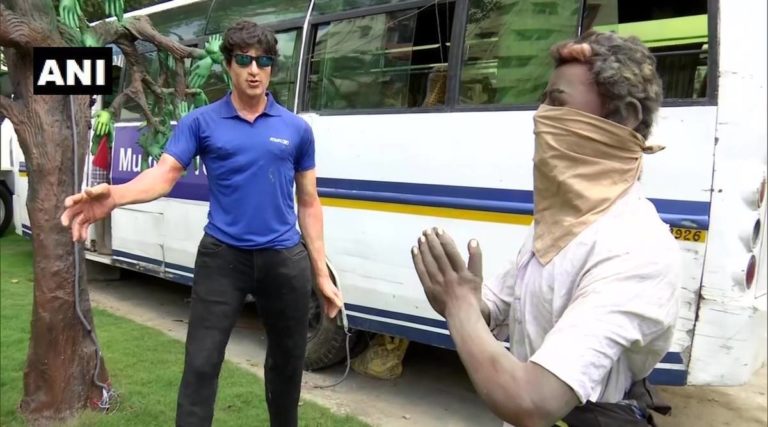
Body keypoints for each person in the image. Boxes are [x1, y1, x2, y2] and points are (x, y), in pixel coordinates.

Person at [60, 20, 343, 427]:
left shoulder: (296, 129)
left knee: (286, 365)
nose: (254, 70)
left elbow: (309, 203)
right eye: (244, 59)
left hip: (283, 258)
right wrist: (116, 196)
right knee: (201, 364)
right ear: (228, 64)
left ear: (272, 68)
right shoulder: (201, 122)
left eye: (264, 61)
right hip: (223, 257)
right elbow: (164, 174)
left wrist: (321, 273)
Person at [410, 30, 680, 427]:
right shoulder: (560, 222)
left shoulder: (636, 249)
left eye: (556, 102)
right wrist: (468, 299)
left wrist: (460, 307)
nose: (540, 116)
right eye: (542, 100)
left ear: (623, 117)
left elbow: (532, 401)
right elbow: (498, 307)